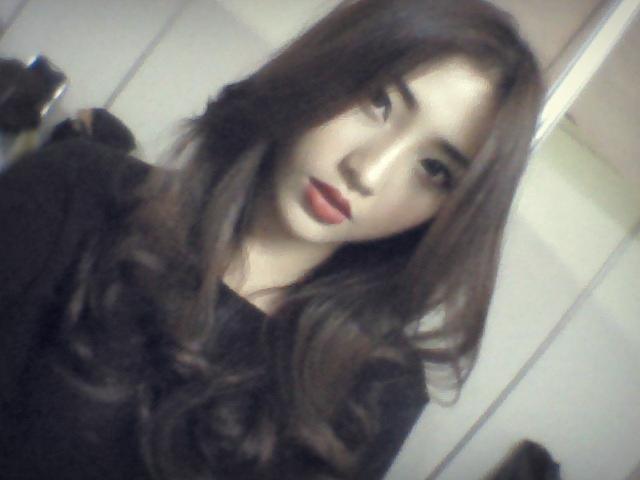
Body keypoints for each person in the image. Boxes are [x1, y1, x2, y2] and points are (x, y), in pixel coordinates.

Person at [0, 0, 544, 479]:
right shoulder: (77, 190)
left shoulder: (381, 388)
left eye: (434, 169)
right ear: (327, 66)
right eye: (378, 101)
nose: (368, 172)